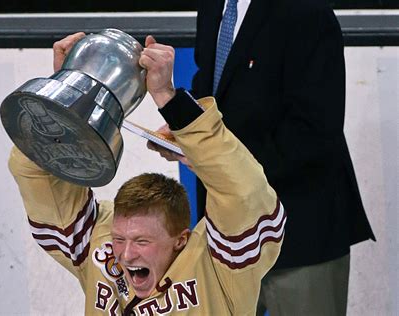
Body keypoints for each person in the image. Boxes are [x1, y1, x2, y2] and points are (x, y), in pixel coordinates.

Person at [8, 33, 286, 315]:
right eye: (119, 239)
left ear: (181, 239)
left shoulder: (218, 265)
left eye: (142, 241)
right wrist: (66, 98)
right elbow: (37, 170)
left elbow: (245, 191)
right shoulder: (95, 244)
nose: (126, 255)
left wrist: (170, 99)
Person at [150, 0, 376, 315]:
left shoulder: (307, 12)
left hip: (300, 235)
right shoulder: (214, 7)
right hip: (229, 239)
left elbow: (314, 134)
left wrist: (212, 158)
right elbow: (212, 93)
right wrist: (180, 123)